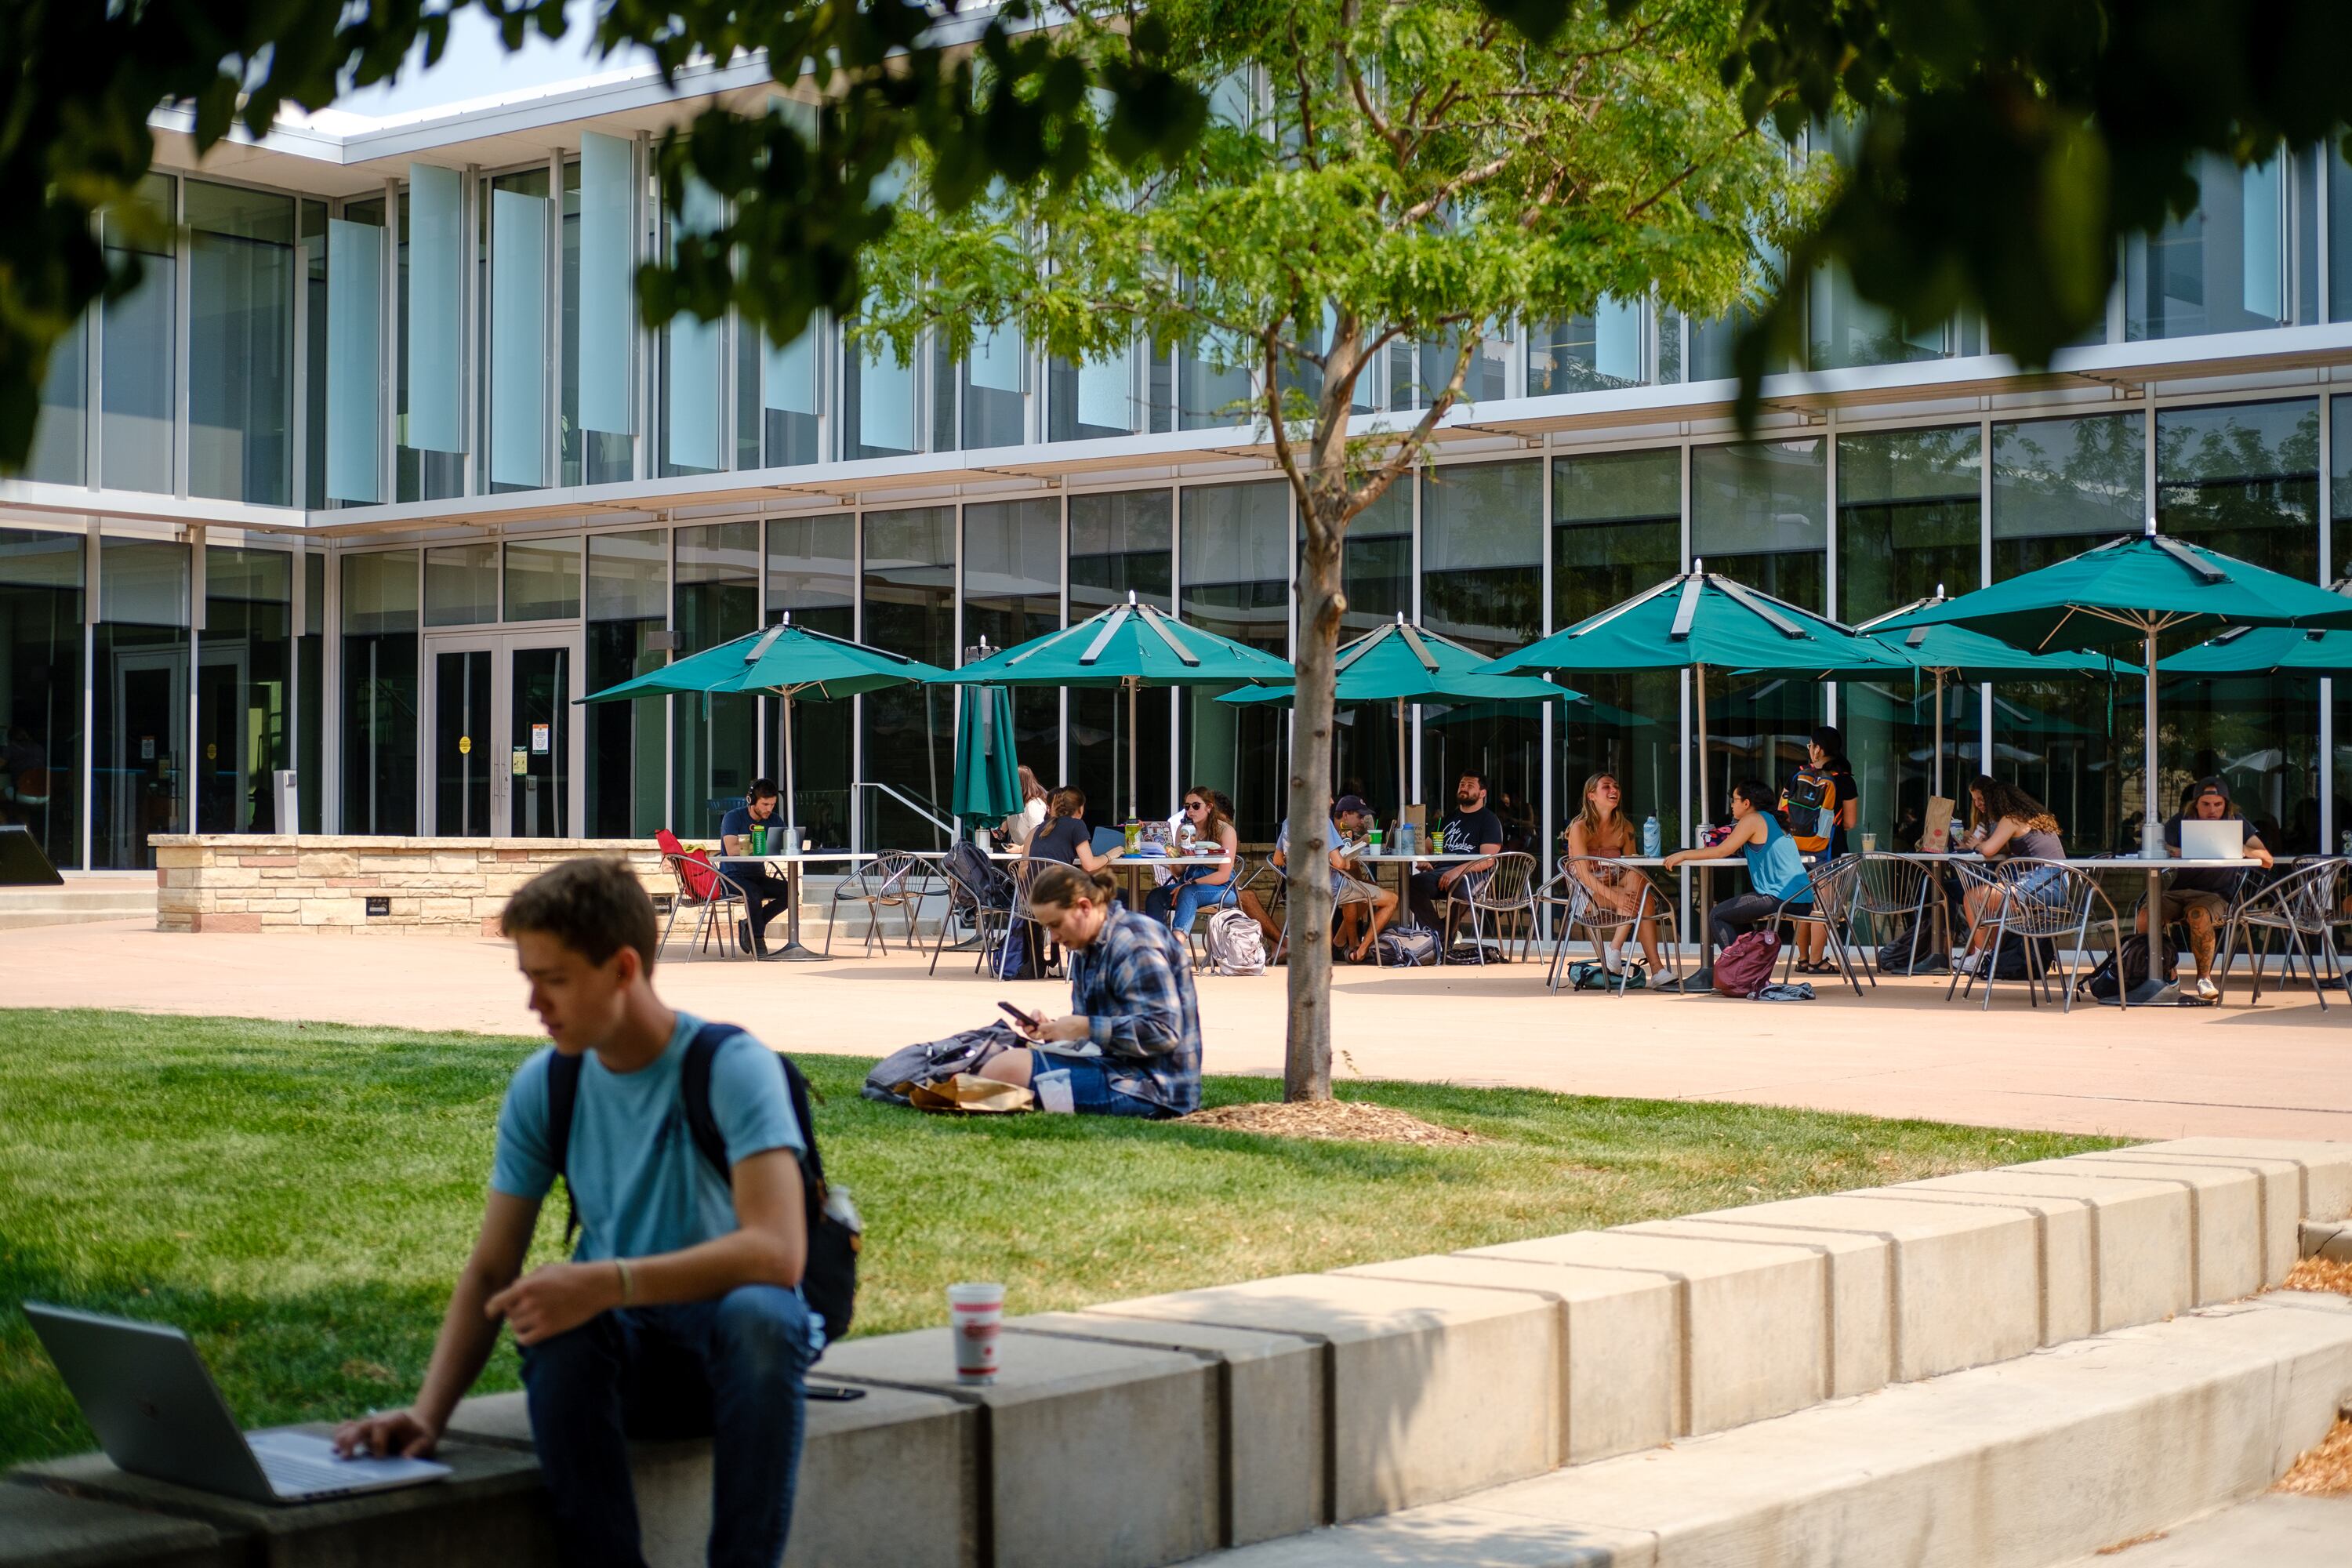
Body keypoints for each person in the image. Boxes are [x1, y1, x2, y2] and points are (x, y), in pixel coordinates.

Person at [333, 858, 817, 1568]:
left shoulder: (730, 1066)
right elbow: (493, 1267)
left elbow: (778, 1255)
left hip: (730, 1363)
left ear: (623, 969)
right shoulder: (547, 1084)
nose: (535, 1004)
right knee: (555, 1333)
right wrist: (428, 1414)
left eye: (553, 980)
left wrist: (604, 1283)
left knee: (762, 1316)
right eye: (529, 979)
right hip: (621, 1363)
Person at [974, 860, 1203, 1118]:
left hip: (1155, 1089)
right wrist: (1055, 1030)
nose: (1054, 938)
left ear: (1084, 907)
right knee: (992, 1053)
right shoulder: (1087, 944)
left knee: (1008, 1069)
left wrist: (1082, 1027)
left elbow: (1164, 1032)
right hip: (1113, 1067)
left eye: (1056, 925)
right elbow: (1099, 1033)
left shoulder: (1135, 942)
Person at [2137, 775, 2273, 1001]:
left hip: (2217, 895)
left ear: (2226, 805)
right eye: (2206, 804)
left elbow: (2267, 859)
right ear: (2195, 804)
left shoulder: (2235, 821)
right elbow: (2159, 845)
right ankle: (2167, 973)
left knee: (2198, 915)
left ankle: (2204, 978)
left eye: (2218, 804)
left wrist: (2239, 847)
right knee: (2145, 915)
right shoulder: (2182, 820)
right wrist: (2176, 850)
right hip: (2179, 892)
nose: (2212, 810)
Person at [1665, 779, 1812, 971]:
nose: (1732, 805)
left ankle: (1740, 972)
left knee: (1718, 915)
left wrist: (1683, 854)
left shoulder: (1752, 820)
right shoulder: (1774, 820)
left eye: (1735, 800)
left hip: (1780, 896)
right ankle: (1751, 966)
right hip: (1802, 898)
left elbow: (1720, 851)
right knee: (1734, 914)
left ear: (1747, 803)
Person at [1950, 775, 2067, 978]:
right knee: (1990, 903)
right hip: (2056, 883)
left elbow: (1988, 849)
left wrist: (1976, 844)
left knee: (1973, 898)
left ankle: (1981, 957)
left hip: (2044, 885)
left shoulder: (2012, 818)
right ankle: (1991, 956)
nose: (1980, 806)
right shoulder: (2030, 817)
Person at [1560, 771, 1667, 982]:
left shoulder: (1624, 826)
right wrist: (1615, 896)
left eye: (1616, 786)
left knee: (1640, 878)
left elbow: (1632, 867)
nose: (1614, 790)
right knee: (1644, 902)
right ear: (1591, 796)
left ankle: (1615, 949)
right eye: (1606, 787)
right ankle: (1656, 970)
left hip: (1617, 885)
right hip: (1586, 894)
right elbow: (1583, 874)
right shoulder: (1579, 828)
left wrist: (1617, 878)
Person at [1780, 727, 1857, 973]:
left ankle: (1802, 959)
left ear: (1818, 749)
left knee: (1801, 904)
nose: (1810, 749)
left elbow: (1781, 811)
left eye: (1810, 745)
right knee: (1823, 907)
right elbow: (1850, 822)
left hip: (1796, 850)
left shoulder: (1798, 773)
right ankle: (1817, 960)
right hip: (1829, 851)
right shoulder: (1844, 779)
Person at [1408, 772, 1504, 940]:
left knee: (1460, 889)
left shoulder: (1489, 820)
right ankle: (1439, 935)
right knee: (1412, 884)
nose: (1464, 789)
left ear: (1483, 793)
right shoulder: (1450, 818)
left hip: (1474, 875)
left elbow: (1488, 860)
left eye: (1470, 786)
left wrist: (1457, 872)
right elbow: (1427, 846)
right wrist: (1425, 860)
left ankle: (1444, 938)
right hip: (1442, 872)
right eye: (1462, 785)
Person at [1145, 785, 1240, 933]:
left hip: (1222, 888)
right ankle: (1157, 942)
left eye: (1196, 806)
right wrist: (1173, 854)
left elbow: (1224, 875)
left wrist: (1189, 884)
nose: (1190, 810)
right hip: (1189, 881)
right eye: (1187, 806)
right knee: (1155, 896)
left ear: (1209, 807)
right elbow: (1178, 872)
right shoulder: (1184, 829)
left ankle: (1176, 941)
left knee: (1188, 892)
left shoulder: (1225, 830)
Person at [718, 779, 790, 959]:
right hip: (732, 876)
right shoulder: (733, 817)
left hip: (757, 874)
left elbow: (781, 847)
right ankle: (758, 938)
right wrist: (760, 845)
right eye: (765, 804)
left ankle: (749, 925)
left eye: (772, 804)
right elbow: (732, 850)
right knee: (754, 893)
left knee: (790, 891)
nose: (769, 809)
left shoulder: (775, 820)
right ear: (751, 800)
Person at [1026, 787, 1118, 873]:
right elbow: (1089, 865)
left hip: (1032, 889)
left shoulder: (1040, 828)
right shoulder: (1077, 825)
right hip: (1057, 888)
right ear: (1080, 808)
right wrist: (1109, 856)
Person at [999, 765, 1048, 848]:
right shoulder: (1015, 805)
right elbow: (1003, 831)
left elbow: (1039, 838)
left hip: (1034, 856)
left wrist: (1021, 849)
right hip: (1021, 855)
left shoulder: (1034, 806)